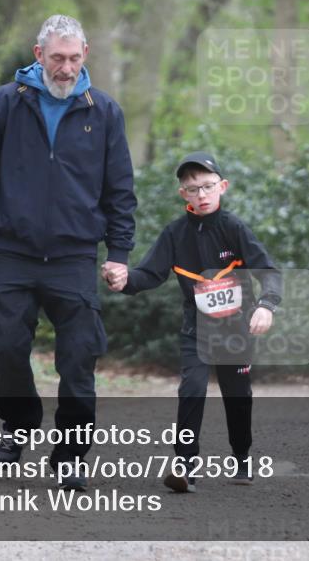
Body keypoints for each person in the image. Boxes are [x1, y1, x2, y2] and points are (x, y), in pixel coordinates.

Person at [0, 14, 136, 490]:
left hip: (74, 259)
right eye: (57, 58)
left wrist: (119, 252)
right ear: (38, 54)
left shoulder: (103, 112)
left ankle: (70, 455)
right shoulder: (5, 104)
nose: (66, 68)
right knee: (3, 348)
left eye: (74, 58)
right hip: (14, 255)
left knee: (80, 360)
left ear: (86, 55)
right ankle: (19, 425)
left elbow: (119, 191)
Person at [105, 152, 281, 493]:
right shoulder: (174, 234)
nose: (201, 194)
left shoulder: (234, 229)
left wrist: (267, 305)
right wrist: (123, 280)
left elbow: (268, 272)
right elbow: (149, 275)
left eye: (207, 187)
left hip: (235, 330)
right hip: (196, 329)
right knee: (192, 390)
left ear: (223, 187)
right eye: (192, 189)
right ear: (182, 194)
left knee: (237, 395)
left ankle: (241, 456)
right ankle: (186, 465)